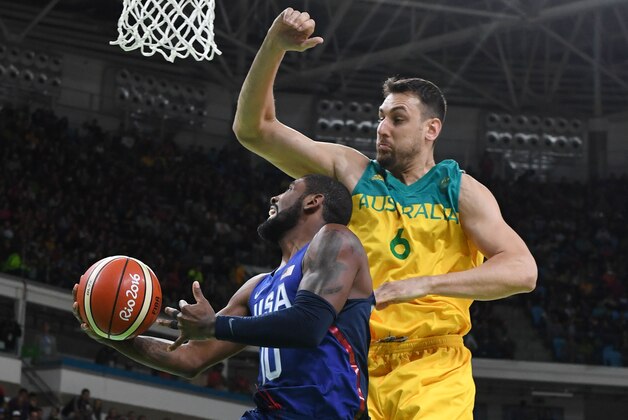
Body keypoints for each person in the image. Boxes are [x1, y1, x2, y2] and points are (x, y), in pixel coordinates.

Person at [231, 8, 538, 419]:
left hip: (434, 369)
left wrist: (423, 284)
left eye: (397, 119)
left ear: (431, 130)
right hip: (353, 366)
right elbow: (255, 130)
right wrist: (275, 45)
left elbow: (522, 271)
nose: (382, 128)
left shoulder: (460, 190)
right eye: (381, 118)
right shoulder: (350, 171)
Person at [72, 174, 374, 419]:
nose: (275, 197)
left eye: (289, 188)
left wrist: (215, 325)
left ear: (313, 201)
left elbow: (309, 325)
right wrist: (114, 338)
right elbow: (192, 357)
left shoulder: (337, 239)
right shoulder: (257, 287)